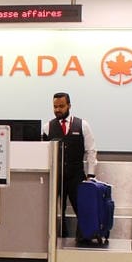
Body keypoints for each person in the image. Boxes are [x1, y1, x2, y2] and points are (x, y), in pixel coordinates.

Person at [44, 92, 97, 231]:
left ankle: (85, 239)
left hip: (76, 176)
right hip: (56, 176)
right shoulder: (47, 127)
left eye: (61, 106)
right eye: (55, 106)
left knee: (82, 210)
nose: (58, 110)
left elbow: (91, 151)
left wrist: (91, 175)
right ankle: (58, 238)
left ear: (69, 106)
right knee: (53, 211)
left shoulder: (82, 125)